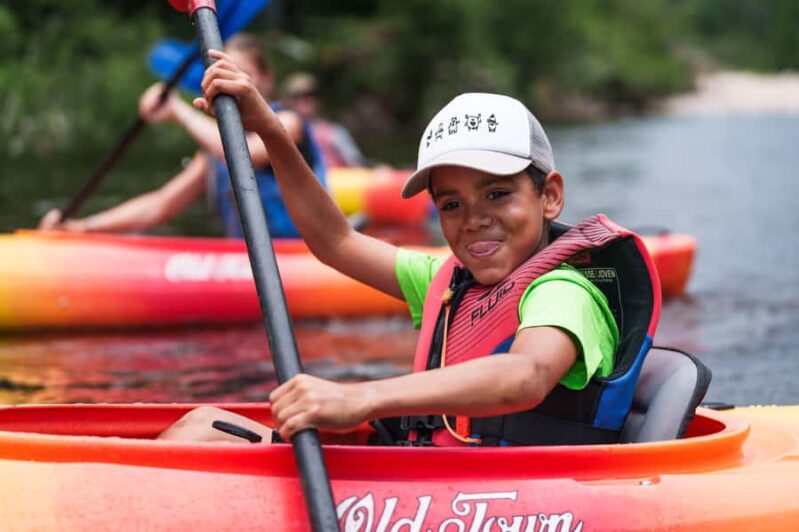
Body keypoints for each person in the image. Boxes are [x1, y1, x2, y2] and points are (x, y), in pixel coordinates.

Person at [160, 49, 659, 447]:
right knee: (201, 424)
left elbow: (525, 375)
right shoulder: (444, 283)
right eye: (451, 204)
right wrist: (269, 128)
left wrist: (361, 398)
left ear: (549, 196)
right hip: (428, 473)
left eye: (497, 194)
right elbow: (335, 241)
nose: (475, 218)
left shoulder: (563, 291)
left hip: (501, 495)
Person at [38, 35, 327, 239]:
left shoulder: (288, 123)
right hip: (247, 263)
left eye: (244, 73)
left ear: (267, 78)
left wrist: (177, 109)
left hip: (305, 255)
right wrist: (82, 227)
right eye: (223, 74)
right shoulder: (214, 151)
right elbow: (160, 205)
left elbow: (244, 154)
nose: (231, 83)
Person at [282, 72, 366, 168]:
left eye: (309, 95)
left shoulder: (334, 132)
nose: (303, 101)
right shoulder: (281, 134)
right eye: (297, 97)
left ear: (317, 100)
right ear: (287, 101)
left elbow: (356, 163)